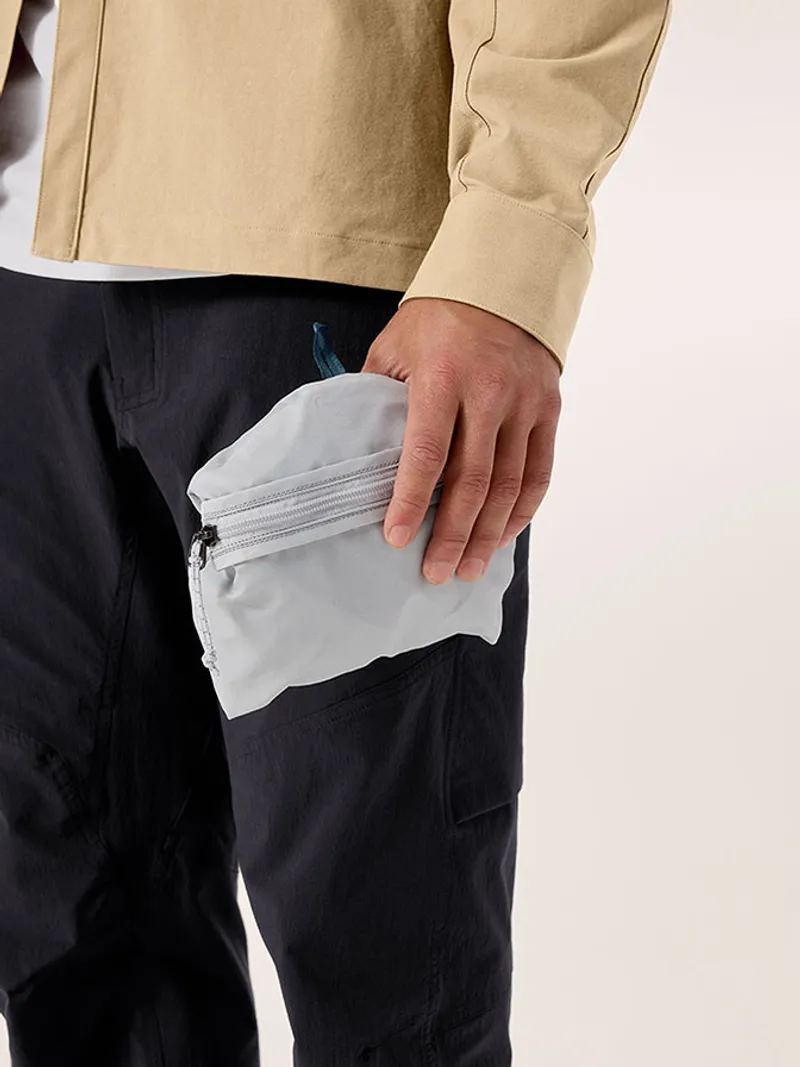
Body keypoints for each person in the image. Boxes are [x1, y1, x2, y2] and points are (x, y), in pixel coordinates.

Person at [0, 1, 672, 1063]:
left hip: (330, 270)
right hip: (20, 279)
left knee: (388, 971)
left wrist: (506, 250)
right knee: (73, 935)